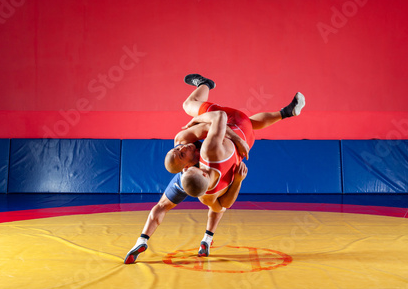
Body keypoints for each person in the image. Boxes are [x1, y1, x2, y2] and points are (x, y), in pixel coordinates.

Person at [124, 74, 305, 263]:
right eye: (182, 153)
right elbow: (219, 119)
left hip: (234, 149)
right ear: (188, 168)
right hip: (238, 127)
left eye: (178, 148)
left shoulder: (202, 187)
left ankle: (146, 239)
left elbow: (224, 204)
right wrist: (199, 123)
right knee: (190, 106)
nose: (183, 147)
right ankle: (206, 84)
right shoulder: (207, 152)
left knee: (167, 205)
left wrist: (237, 181)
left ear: (184, 171)